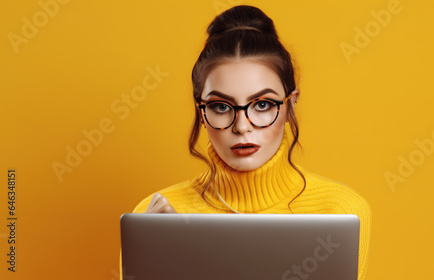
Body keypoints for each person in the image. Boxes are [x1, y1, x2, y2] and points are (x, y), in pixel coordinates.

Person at [120, 5, 371, 280]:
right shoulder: (154, 214)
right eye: (221, 106)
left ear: (291, 105)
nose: (242, 126)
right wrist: (160, 257)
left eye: (262, 104)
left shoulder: (340, 211)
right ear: (201, 113)